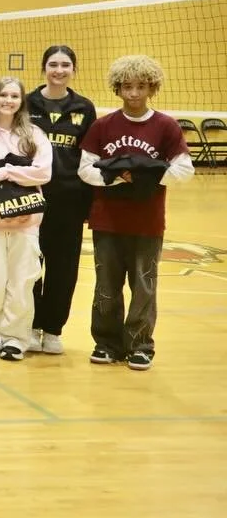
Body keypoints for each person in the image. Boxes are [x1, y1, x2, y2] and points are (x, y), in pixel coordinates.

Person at [77, 55, 193, 371]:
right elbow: (86, 168)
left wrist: (145, 174)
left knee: (144, 286)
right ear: (117, 89)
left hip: (148, 221)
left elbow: (184, 170)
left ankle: (141, 345)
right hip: (107, 220)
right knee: (106, 286)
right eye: (127, 87)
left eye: (141, 87)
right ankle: (106, 343)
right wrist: (118, 175)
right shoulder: (103, 126)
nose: (134, 94)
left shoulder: (166, 126)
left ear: (152, 88)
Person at [0, 76, 52, 361]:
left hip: (27, 222)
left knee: (21, 282)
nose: (8, 101)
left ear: (21, 101)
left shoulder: (34, 135)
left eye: (14, 96)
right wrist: (2, 207)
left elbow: (43, 172)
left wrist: (8, 173)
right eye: (2, 95)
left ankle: (15, 338)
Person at [26, 45, 96, 355]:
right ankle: (29, 324)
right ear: (44, 68)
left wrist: (89, 204)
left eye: (65, 64)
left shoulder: (84, 107)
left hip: (70, 199)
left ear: (73, 69)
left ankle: (53, 329)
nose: (59, 70)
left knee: (63, 268)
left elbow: (90, 157)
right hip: (31, 197)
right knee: (29, 264)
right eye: (53, 64)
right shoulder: (27, 103)